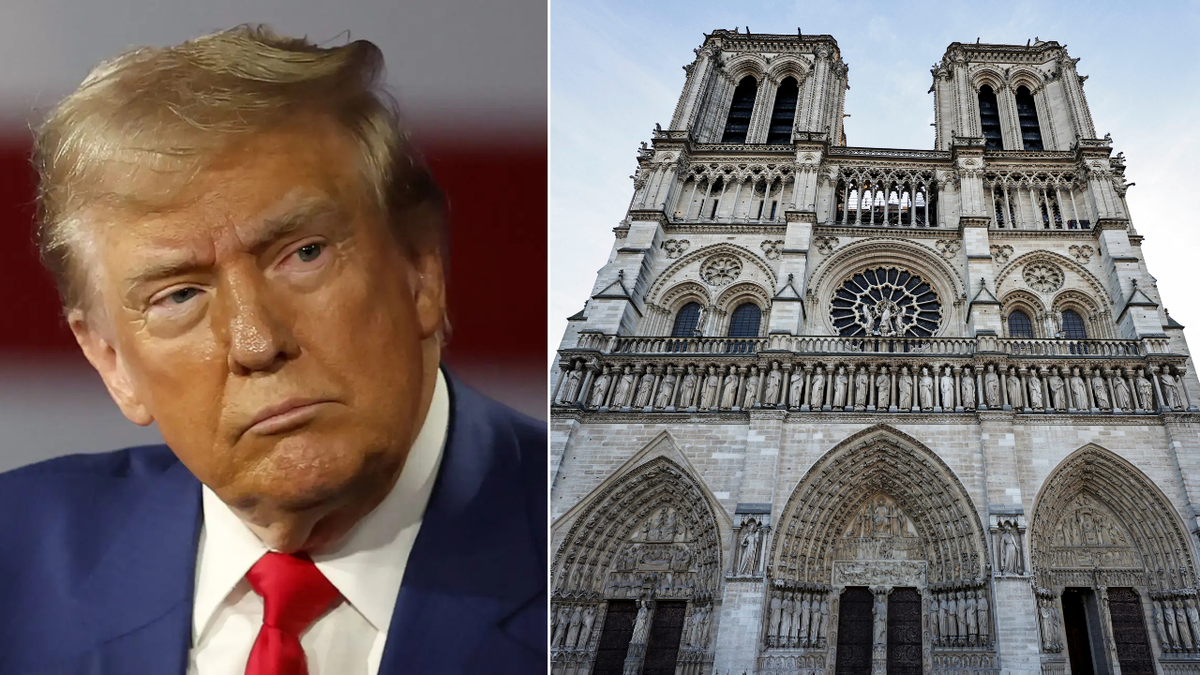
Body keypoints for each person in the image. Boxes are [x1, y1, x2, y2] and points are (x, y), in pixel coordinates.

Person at [0, 26, 545, 675]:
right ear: (112, 362)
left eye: (303, 254)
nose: (258, 343)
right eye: (178, 295)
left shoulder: (565, 535)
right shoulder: (15, 559)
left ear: (421, 269)